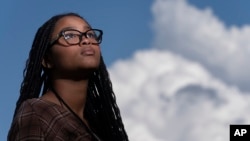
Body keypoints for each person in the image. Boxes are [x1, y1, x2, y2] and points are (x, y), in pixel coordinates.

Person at [8, 12, 129, 141]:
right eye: (70, 35)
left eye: (90, 34)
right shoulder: (36, 113)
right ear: (47, 60)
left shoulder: (100, 127)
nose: (86, 40)